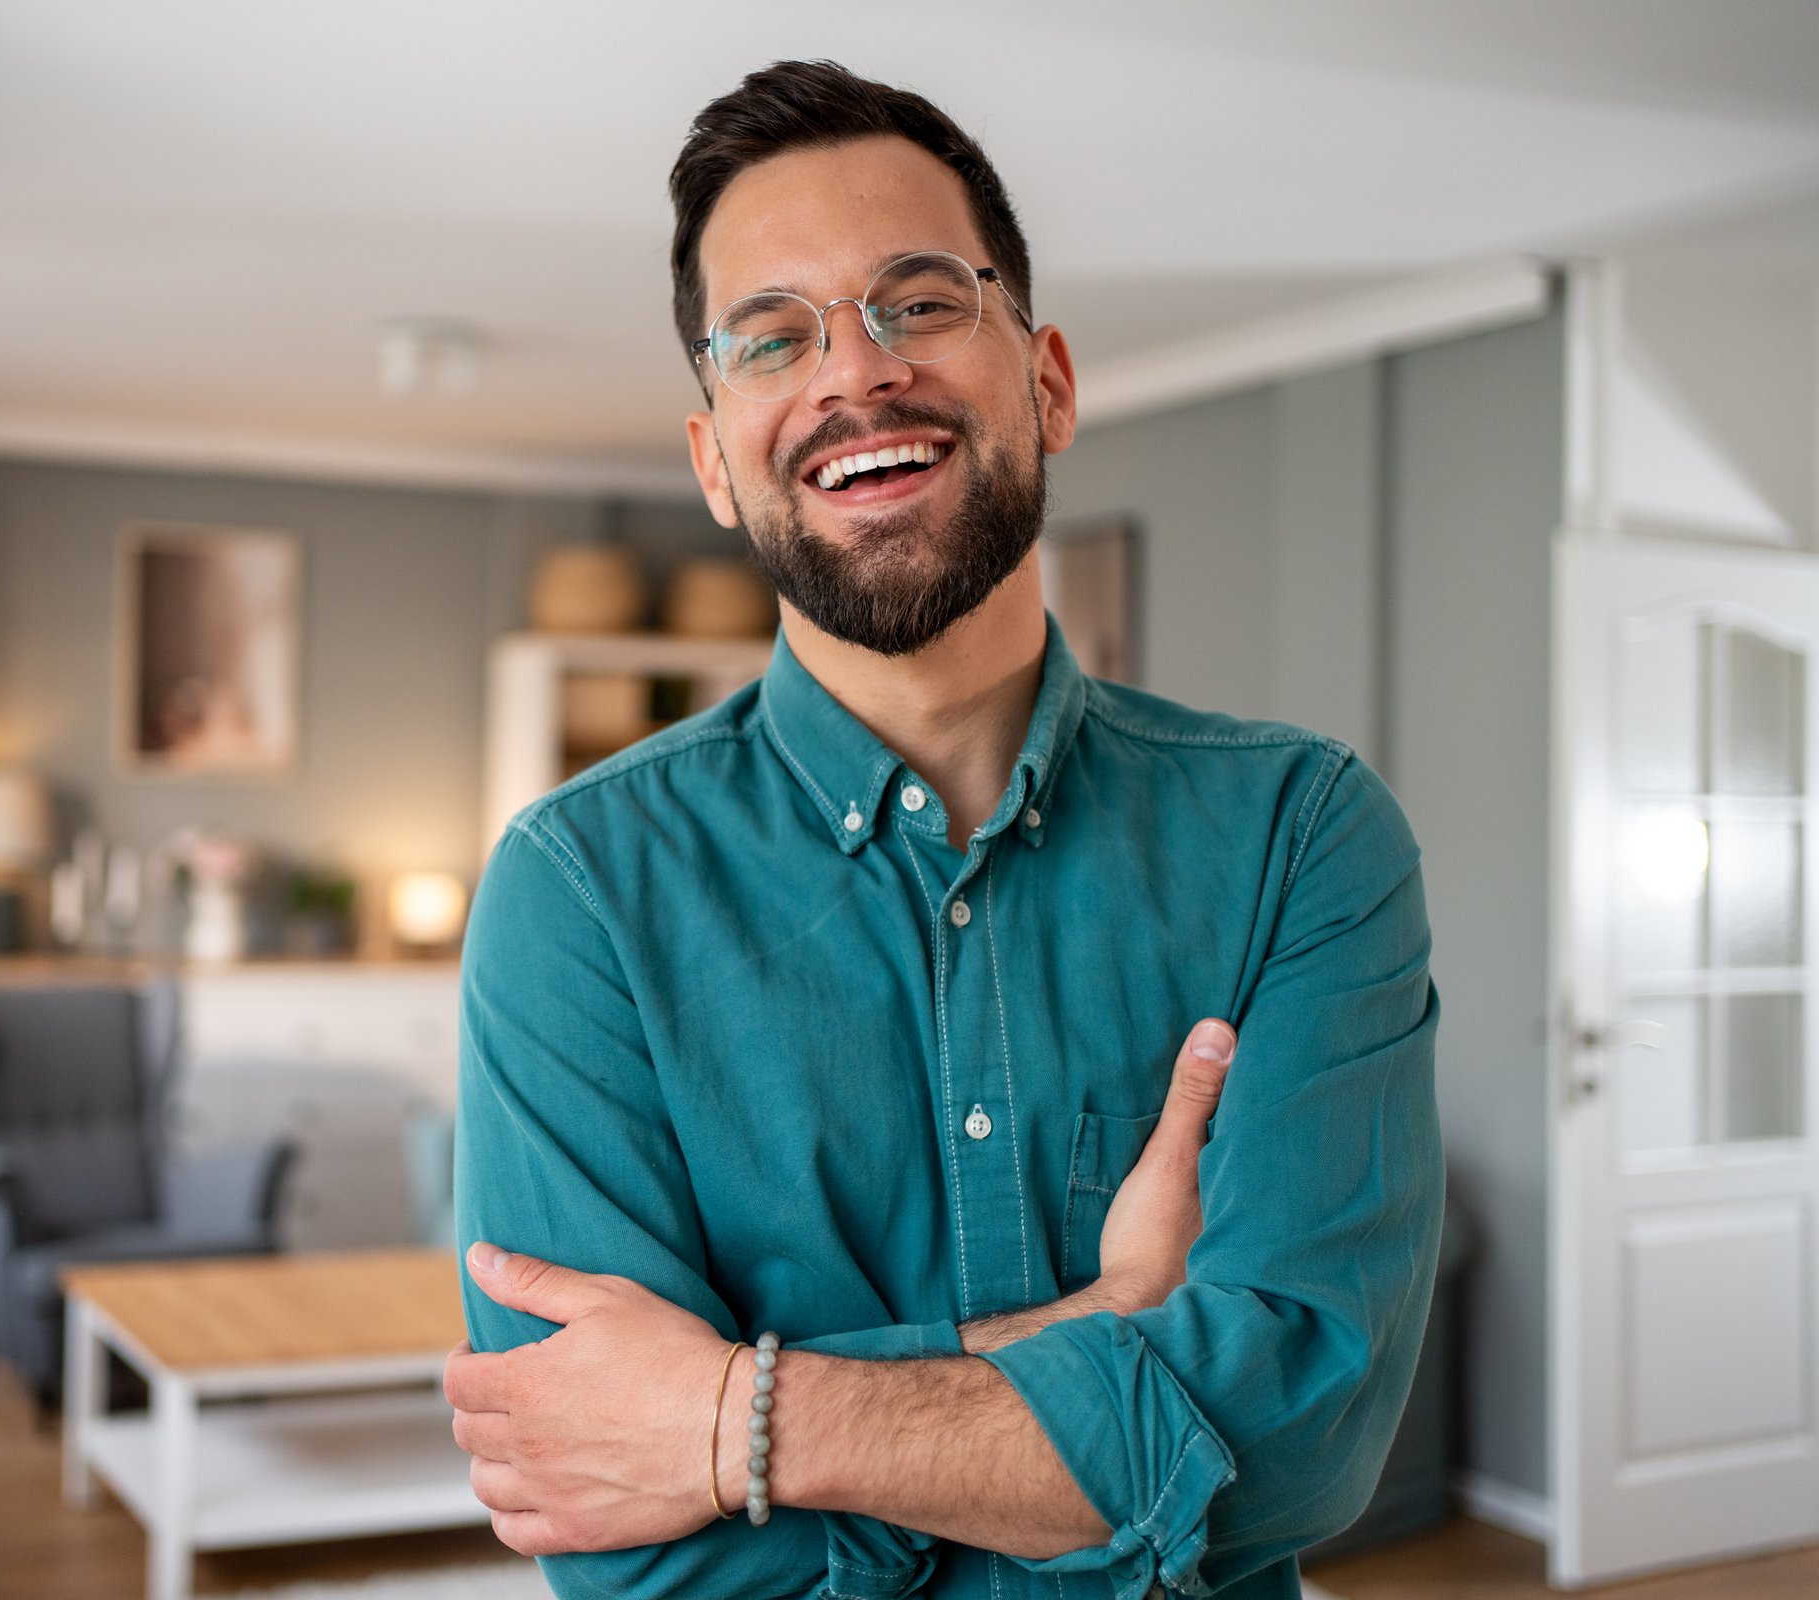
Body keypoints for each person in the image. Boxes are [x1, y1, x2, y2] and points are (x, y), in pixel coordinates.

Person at [446, 59, 1441, 1600]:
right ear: (717, 458)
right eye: (773, 337)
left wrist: (732, 1418)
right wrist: (1101, 1333)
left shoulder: (1301, 833)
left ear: (1044, 382)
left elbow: (1301, 1447)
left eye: (916, 303)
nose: (855, 376)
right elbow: (628, 1555)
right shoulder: (577, 892)